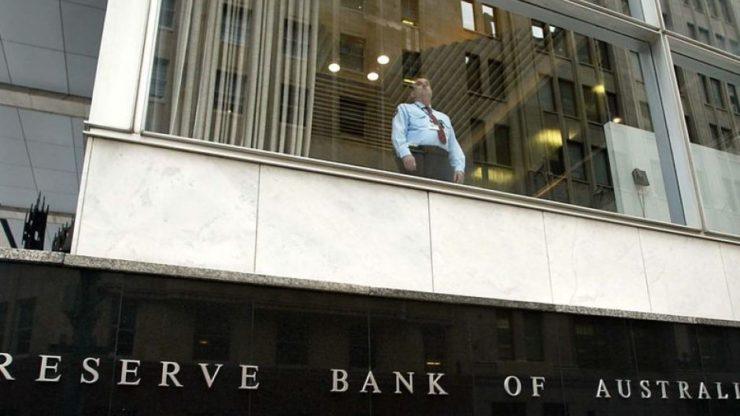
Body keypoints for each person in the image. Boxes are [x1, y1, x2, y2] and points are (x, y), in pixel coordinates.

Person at [391, 78, 465, 183]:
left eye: (427, 84)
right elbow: (398, 133)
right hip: (417, 155)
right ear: (412, 94)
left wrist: (459, 167)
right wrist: (405, 153)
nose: (424, 85)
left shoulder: (444, 118)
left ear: (431, 92)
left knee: (440, 191)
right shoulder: (405, 108)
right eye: (419, 84)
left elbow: (453, 145)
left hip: (441, 159)